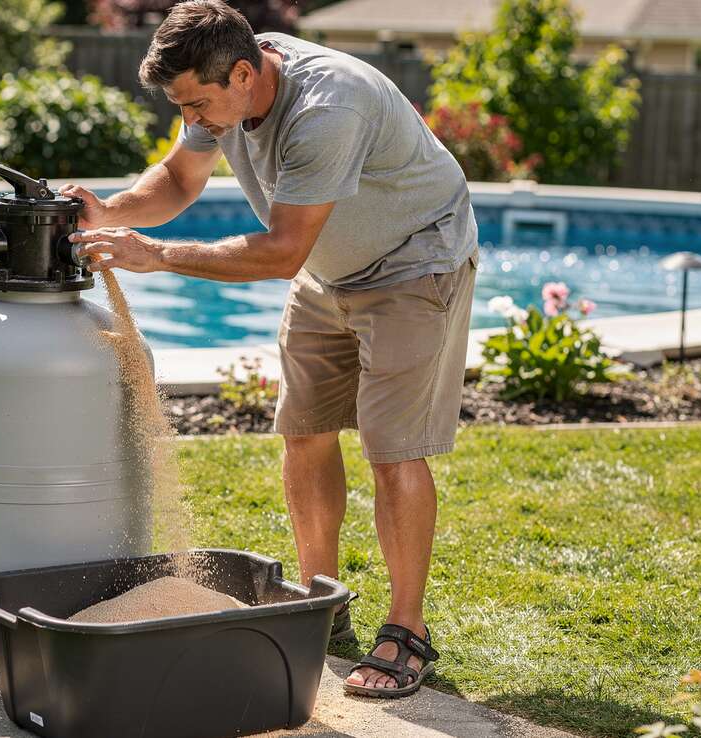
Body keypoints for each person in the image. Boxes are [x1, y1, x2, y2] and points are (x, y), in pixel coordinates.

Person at [63, 0, 477, 698]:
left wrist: (157, 255)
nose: (192, 120)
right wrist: (111, 211)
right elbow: (178, 180)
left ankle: (408, 631)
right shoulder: (220, 86)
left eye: (198, 104)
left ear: (246, 74)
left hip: (413, 262)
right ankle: (323, 602)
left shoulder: (326, 109)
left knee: (393, 448)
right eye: (181, 106)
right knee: (305, 433)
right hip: (330, 270)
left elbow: (283, 251)